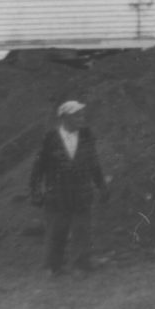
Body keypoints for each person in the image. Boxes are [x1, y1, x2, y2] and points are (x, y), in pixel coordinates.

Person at [29, 100, 110, 276]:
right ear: (65, 117)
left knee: (82, 228)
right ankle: (53, 267)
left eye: (82, 115)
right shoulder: (50, 139)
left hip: (81, 191)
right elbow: (38, 168)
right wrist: (35, 191)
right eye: (77, 116)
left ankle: (79, 266)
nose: (81, 119)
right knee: (56, 230)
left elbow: (93, 163)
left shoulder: (86, 136)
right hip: (57, 193)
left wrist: (101, 185)